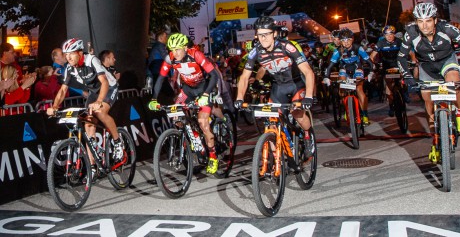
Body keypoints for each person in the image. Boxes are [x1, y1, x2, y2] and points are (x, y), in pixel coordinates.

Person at [397, 2, 460, 163]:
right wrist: (407, 76)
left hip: (446, 62)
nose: (424, 25)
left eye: (428, 21)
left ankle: (459, 112)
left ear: (435, 20)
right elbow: (401, 58)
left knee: (453, 83)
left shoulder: (448, 29)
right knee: (429, 104)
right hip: (426, 67)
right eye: (420, 21)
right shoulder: (410, 33)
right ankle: (436, 141)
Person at [234, 16, 315, 159]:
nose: (263, 38)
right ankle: (277, 162)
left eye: (266, 34)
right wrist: (239, 98)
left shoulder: (287, 46)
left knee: (297, 114)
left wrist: (309, 96)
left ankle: (308, 136)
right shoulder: (256, 51)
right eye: (260, 35)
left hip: (296, 84)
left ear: (274, 34)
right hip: (278, 87)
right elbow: (245, 77)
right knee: (271, 122)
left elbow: (308, 72)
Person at [148, 33, 222, 174]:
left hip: (204, 89)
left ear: (185, 48)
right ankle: (194, 137)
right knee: (176, 117)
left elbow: (214, 75)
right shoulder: (170, 58)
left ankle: (213, 157)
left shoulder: (196, 54)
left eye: (177, 49)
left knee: (202, 122)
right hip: (188, 90)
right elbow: (160, 78)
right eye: (172, 50)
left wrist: (206, 95)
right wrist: (154, 98)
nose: (174, 53)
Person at [46, 39, 124, 167]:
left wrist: (99, 101)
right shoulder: (70, 68)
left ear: (80, 53)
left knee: (99, 111)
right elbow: (62, 90)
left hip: (109, 87)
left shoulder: (91, 60)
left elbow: (104, 82)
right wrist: (54, 106)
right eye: (66, 54)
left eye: (71, 53)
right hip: (94, 91)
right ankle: (93, 167)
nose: (68, 57)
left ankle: (117, 142)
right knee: (88, 125)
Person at [323, 28, 375, 125]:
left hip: (357, 69)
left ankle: (364, 114)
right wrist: (326, 77)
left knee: (359, 89)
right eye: (343, 40)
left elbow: (369, 62)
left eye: (348, 40)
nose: (346, 43)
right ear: (340, 41)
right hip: (344, 70)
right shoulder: (338, 51)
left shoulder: (358, 48)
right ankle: (347, 109)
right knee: (342, 89)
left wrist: (371, 72)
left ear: (352, 39)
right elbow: (330, 66)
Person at [370, 25, 403, 117]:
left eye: (391, 34)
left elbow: (410, 52)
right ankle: (391, 105)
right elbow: (372, 56)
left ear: (394, 34)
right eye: (386, 34)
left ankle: (402, 90)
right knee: (389, 86)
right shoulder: (381, 43)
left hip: (398, 63)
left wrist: (412, 59)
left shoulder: (399, 41)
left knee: (403, 77)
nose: (389, 36)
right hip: (387, 65)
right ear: (384, 35)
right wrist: (373, 64)